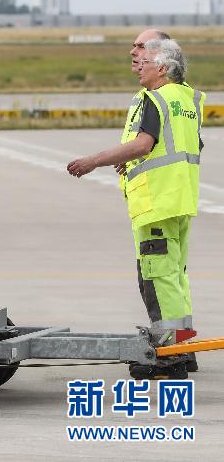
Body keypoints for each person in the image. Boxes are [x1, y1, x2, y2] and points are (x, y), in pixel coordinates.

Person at [67, 38, 204, 380]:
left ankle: (168, 357)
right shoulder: (188, 98)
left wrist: (93, 161)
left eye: (146, 59)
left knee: (157, 278)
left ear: (163, 68)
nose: (139, 64)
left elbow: (145, 143)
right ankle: (182, 350)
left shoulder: (156, 99)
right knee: (174, 277)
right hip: (181, 198)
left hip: (156, 200)